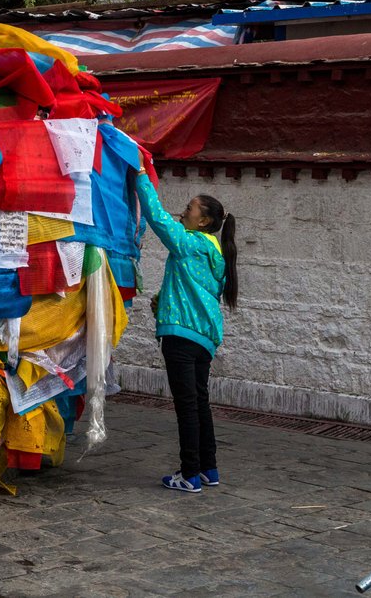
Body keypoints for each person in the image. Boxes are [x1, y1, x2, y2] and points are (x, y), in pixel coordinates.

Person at [134, 157, 238, 493]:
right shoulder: (214, 252)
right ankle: (209, 468)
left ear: (204, 220)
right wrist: (162, 300)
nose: (184, 212)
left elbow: (157, 218)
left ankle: (189, 473)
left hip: (181, 335)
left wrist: (139, 176)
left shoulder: (189, 243)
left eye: (191, 209)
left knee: (187, 406)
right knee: (199, 401)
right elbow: (193, 288)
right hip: (204, 338)